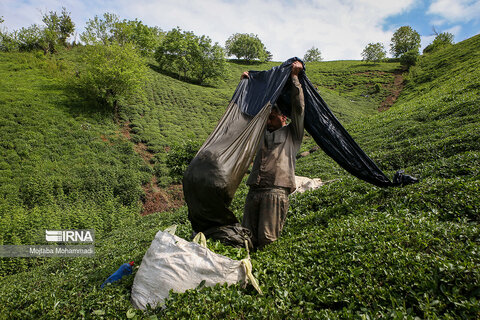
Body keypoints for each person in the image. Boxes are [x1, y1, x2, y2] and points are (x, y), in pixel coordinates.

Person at [240, 61, 305, 249]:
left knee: (268, 239)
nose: (267, 121)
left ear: (283, 117)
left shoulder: (292, 134)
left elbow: (299, 108)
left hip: (275, 191)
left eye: (272, 116)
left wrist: (294, 78)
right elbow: (247, 115)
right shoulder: (259, 134)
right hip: (254, 191)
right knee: (246, 238)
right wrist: (245, 86)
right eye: (266, 117)